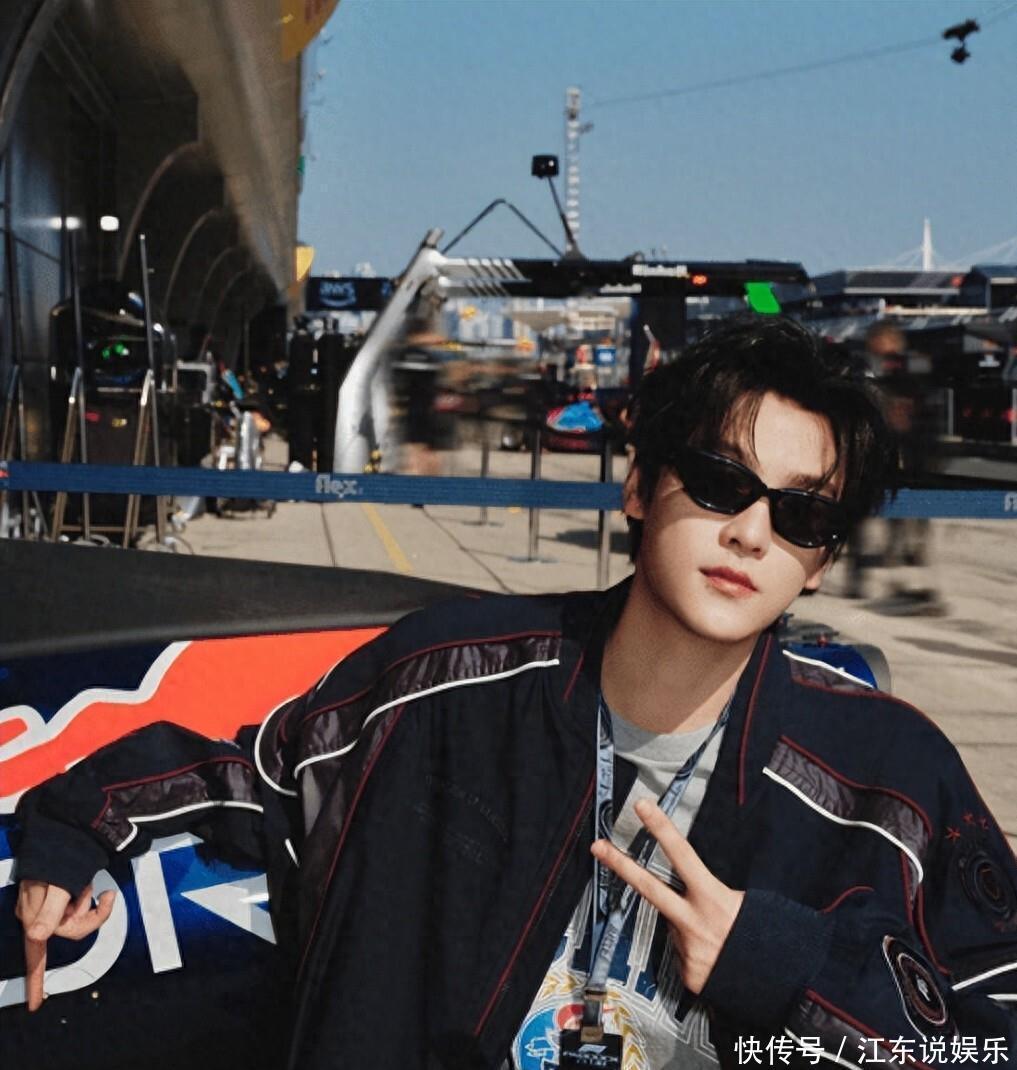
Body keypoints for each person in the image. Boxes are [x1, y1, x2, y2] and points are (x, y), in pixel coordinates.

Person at [14, 317, 1017, 1068]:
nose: (751, 532)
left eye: (800, 515)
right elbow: (262, 778)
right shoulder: (443, 680)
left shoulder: (888, 779)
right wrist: (80, 821)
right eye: (719, 481)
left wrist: (784, 963)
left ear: (822, 561)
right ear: (639, 486)